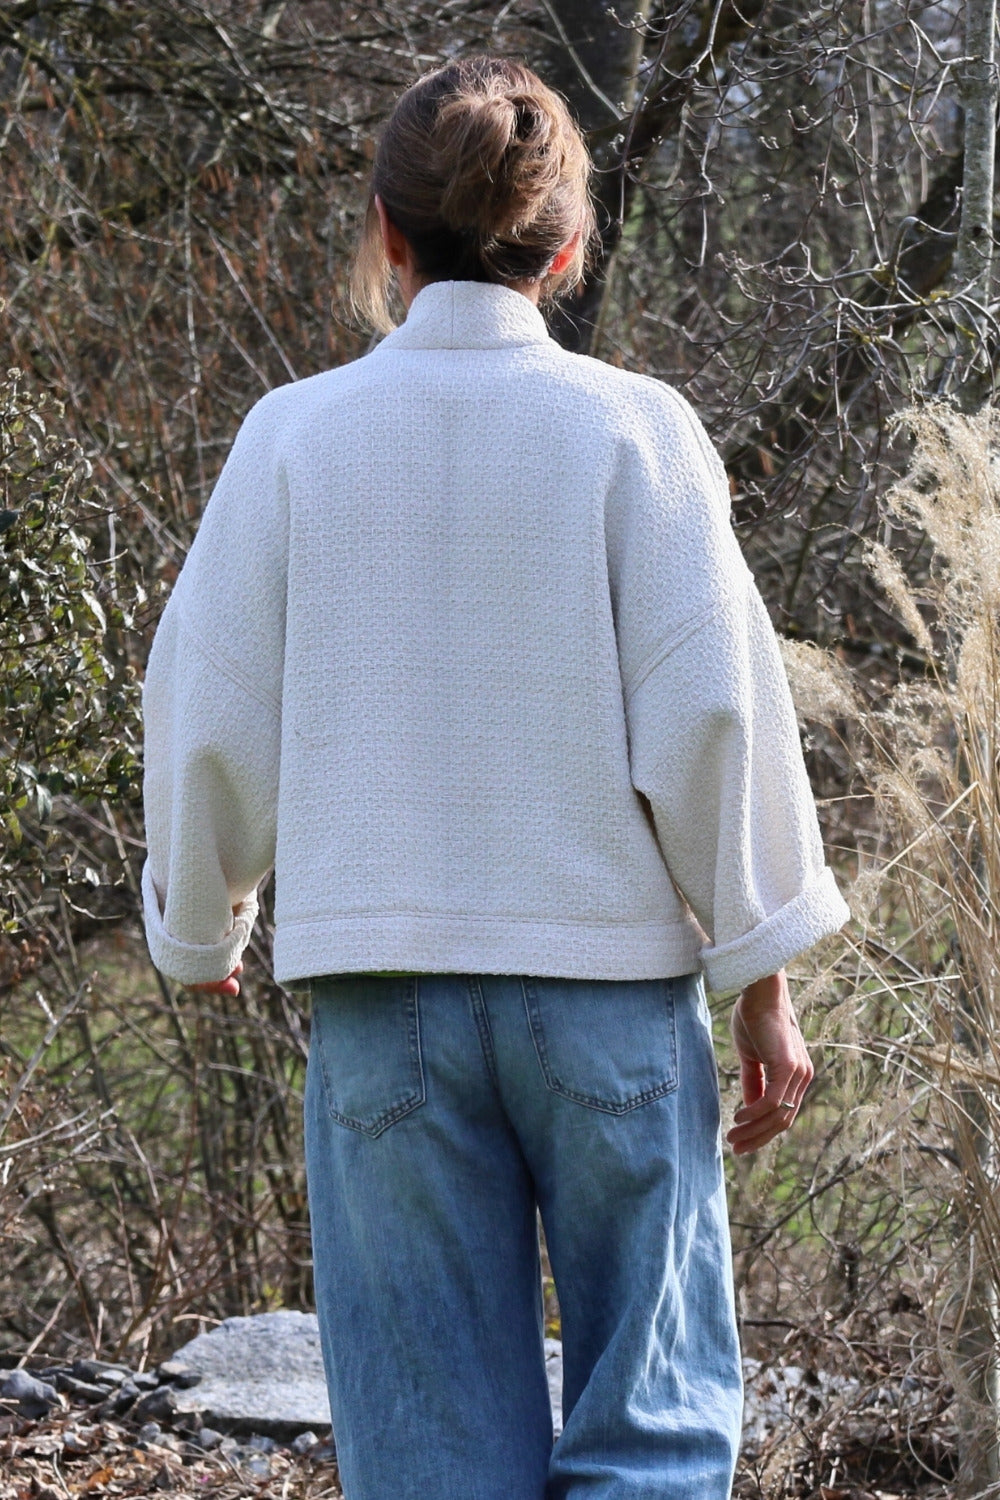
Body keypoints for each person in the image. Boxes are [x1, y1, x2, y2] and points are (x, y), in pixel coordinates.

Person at [141, 53, 850, 1500]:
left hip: (381, 1001)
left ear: (386, 236)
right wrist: (761, 971)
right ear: (566, 246)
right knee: (651, 1438)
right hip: (609, 996)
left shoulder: (294, 437)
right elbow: (716, 713)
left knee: (431, 1460)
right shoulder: (637, 430)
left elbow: (208, 707)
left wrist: (204, 922)